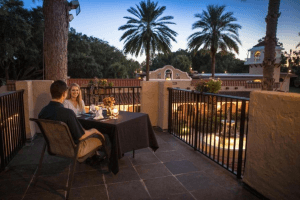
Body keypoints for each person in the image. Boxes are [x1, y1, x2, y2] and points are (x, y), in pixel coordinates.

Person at [38, 80, 110, 164]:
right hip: (74, 149)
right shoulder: (67, 113)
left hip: (54, 146)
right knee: (105, 136)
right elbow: (81, 137)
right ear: (65, 93)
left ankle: (94, 157)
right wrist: (94, 130)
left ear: (51, 93)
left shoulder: (42, 112)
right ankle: (109, 162)